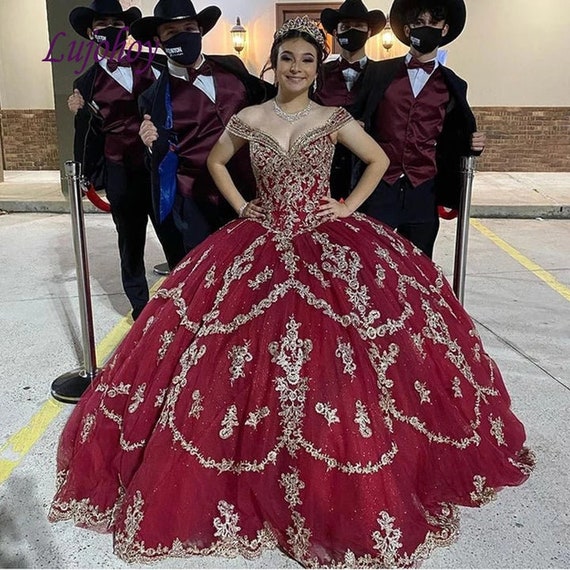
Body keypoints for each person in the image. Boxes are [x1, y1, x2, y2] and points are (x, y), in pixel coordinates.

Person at [49, 15, 533, 568]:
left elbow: (376, 159)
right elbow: (215, 161)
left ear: (316, 66)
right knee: (233, 353)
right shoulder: (250, 116)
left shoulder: (333, 117)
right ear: (273, 63)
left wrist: (347, 207)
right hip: (260, 236)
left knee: (341, 356)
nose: (297, 68)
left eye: (307, 59)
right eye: (287, 58)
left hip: (326, 238)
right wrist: (241, 206)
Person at [68, 0, 186, 321]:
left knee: (173, 232)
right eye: (103, 25)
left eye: (117, 25)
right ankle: (141, 308)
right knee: (130, 240)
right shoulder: (85, 83)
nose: (111, 30)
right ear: (92, 33)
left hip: (160, 166)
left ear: (126, 30)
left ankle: (187, 294)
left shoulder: (156, 64)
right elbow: (86, 134)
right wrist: (82, 173)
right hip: (119, 167)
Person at [131, 0, 273, 254]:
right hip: (196, 200)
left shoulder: (233, 66)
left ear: (200, 31)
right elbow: (156, 159)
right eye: (172, 33)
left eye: (189, 28)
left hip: (249, 190)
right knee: (204, 273)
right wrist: (151, 146)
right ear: (158, 40)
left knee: (253, 266)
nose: (183, 36)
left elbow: (268, 102)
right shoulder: (151, 98)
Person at [355, 0, 486, 258]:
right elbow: (358, 117)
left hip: (423, 190)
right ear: (406, 29)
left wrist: (473, 144)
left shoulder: (454, 84)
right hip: (379, 186)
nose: (425, 29)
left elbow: (455, 135)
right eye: (418, 23)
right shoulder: (379, 73)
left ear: (445, 29)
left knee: (419, 265)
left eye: (432, 23)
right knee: (370, 261)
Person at [313, 0, 386, 200]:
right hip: (325, 173)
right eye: (345, 27)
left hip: (369, 174)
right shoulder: (318, 74)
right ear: (335, 33)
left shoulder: (383, 75)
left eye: (359, 26)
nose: (352, 31)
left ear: (369, 32)